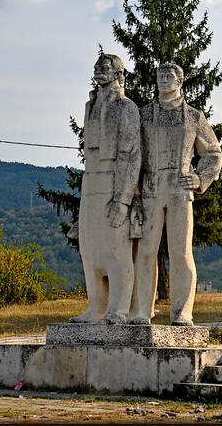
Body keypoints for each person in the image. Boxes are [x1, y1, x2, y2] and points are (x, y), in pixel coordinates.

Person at [129, 62, 222, 326]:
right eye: (160, 76)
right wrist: (135, 194)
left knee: (181, 253)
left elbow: (213, 153)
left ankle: (182, 312)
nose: (164, 80)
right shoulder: (144, 115)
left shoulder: (193, 117)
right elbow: (134, 157)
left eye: (169, 76)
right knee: (145, 252)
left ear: (180, 81)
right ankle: (141, 311)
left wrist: (200, 178)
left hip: (180, 191)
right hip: (150, 189)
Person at [70, 54, 141, 324]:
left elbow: (132, 156)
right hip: (91, 181)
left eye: (106, 67)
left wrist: (123, 199)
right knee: (90, 249)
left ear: (119, 74)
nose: (99, 70)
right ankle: (95, 308)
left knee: (116, 249)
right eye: (97, 66)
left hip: (114, 180)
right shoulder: (90, 106)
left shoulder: (126, 108)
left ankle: (119, 309)